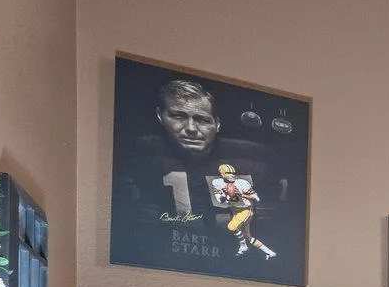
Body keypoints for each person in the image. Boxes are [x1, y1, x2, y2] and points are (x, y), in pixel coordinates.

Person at [118, 78, 282, 227]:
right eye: (178, 116)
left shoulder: (257, 159)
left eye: (202, 120)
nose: (191, 128)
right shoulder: (138, 154)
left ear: (217, 124)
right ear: (160, 116)